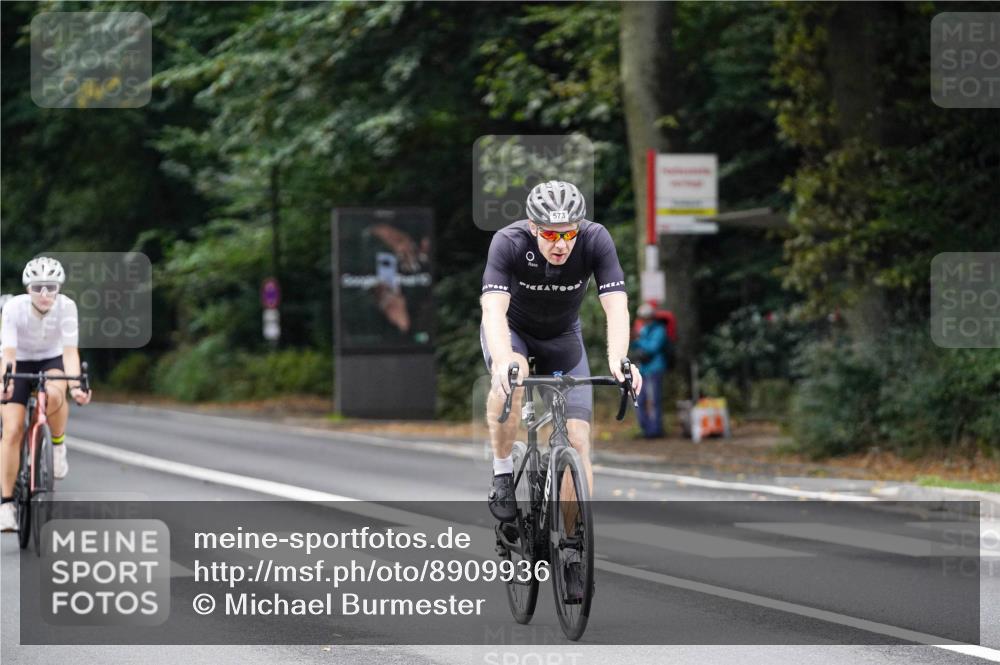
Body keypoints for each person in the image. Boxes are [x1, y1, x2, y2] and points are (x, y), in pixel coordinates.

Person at [480, 180, 642, 600]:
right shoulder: (508, 242)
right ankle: (502, 474)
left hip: (562, 340)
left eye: (568, 233)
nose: (560, 244)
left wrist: (619, 360)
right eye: (550, 234)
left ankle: (571, 547)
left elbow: (617, 305)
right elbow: (493, 311)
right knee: (512, 379)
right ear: (533, 228)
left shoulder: (595, 239)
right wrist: (502, 360)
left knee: (579, 438)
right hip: (512, 334)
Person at [0, 257, 91, 532]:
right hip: (18, 361)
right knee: (13, 429)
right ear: (28, 288)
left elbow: (69, 352)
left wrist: (76, 386)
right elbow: (10, 354)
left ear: (58, 288)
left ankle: (58, 444)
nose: (44, 294)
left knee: (56, 390)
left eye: (50, 287)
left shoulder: (67, 307)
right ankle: (5, 506)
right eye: (38, 287)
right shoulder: (14, 309)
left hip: (51, 359)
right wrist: (6, 385)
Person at [631, 303, 670, 438]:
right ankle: (645, 428)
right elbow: (636, 345)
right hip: (643, 369)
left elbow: (652, 348)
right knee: (640, 400)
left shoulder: (659, 330)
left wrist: (639, 340)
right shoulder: (644, 329)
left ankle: (655, 430)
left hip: (654, 369)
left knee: (653, 400)